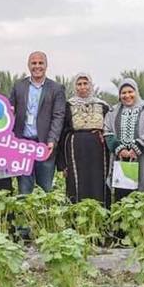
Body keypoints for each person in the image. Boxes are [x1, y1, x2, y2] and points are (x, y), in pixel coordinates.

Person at [7, 51, 66, 194]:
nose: (37, 66)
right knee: (24, 189)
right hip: (22, 145)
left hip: (45, 145)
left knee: (44, 189)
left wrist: (52, 140)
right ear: (28, 65)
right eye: (34, 63)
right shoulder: (19, 86)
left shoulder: (56, 88)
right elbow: (8, 112)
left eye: (40, 63)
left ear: (46, 65)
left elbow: (58, 116)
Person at [104, 78, 144, 202]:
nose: (127, 95)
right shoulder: (113, 112)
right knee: (122, 199)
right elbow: (107, 131)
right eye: (123, 93)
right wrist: (120, 149)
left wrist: (137, 147)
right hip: (121, 161)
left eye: (130, 92)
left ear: (136, 92)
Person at [59, 73, 109, 205]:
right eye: (79, 84)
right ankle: (77, 217)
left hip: (99, 153)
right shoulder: (68, 106)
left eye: (85, 84)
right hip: (75, 152)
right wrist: (62, 163)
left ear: (90, 85)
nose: (82, 87)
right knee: (76, 185)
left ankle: (100, 215)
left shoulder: (103, 106)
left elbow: (110, 129)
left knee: (98, 182)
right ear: (75, 87)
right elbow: (62, 134)